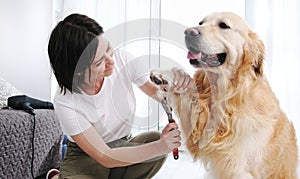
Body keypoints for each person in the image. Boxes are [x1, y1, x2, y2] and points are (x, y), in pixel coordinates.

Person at [47, 13, 193, 179]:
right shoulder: (65, 101)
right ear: (78, 72)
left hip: (123, 143)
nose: (112, 61)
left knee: (154, 140)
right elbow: (104, 156)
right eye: (100, 61)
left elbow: (158, 93)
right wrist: (161, 147)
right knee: (156, 147)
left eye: (109, 49)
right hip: (86, 156)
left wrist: (177, 85)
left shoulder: (124, 59)